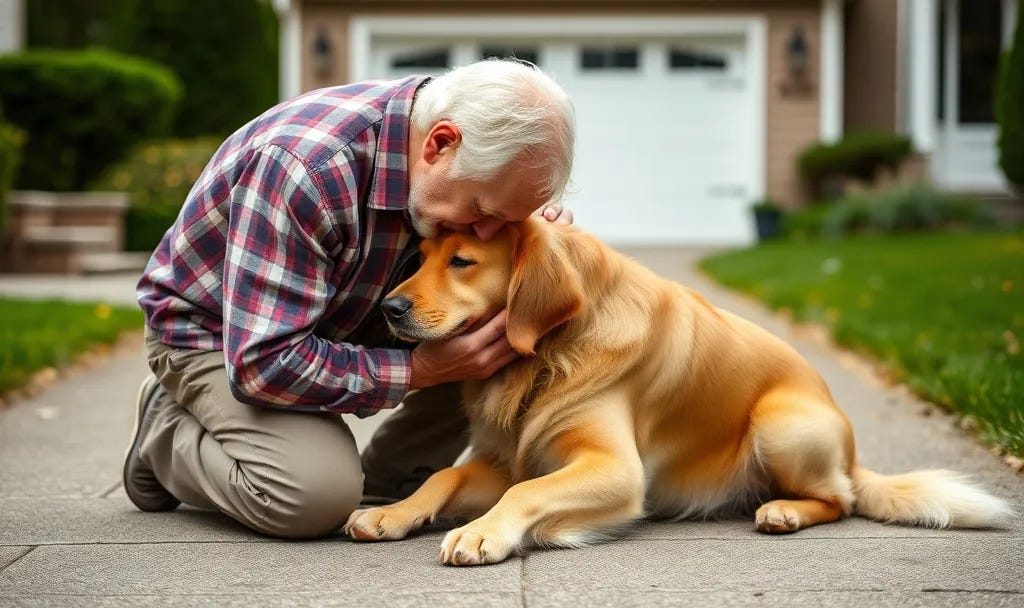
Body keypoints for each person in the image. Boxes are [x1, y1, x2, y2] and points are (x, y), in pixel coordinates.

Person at [123, 59, 576, 538]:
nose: (486, 231)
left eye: (505, 219)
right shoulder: (305, 168)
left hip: (351, 312)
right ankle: (164, 429)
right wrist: (423, 370)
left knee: (505, 325)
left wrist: (530, 245)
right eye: (483, 211)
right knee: (310, 496)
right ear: (439, 144)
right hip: (225, 337)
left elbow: (512, 261)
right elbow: (266, 363)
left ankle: (386, 483)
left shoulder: (462, 167)